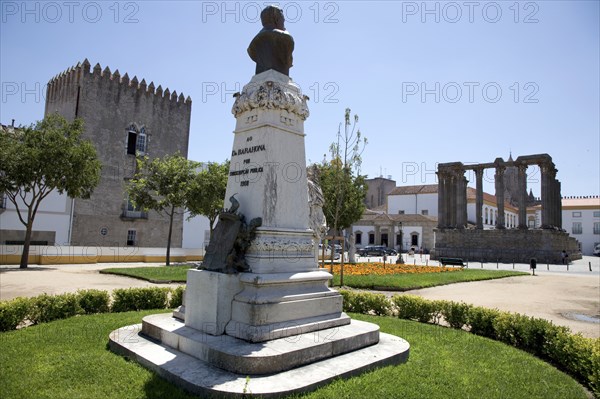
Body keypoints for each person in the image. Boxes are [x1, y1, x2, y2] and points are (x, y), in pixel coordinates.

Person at [247, 6, 294, 76]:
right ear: (275, 19)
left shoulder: (253, 44)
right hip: (278, 80)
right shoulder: (286, 38)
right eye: (282, 18)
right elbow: (288, 62)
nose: (284, 20)